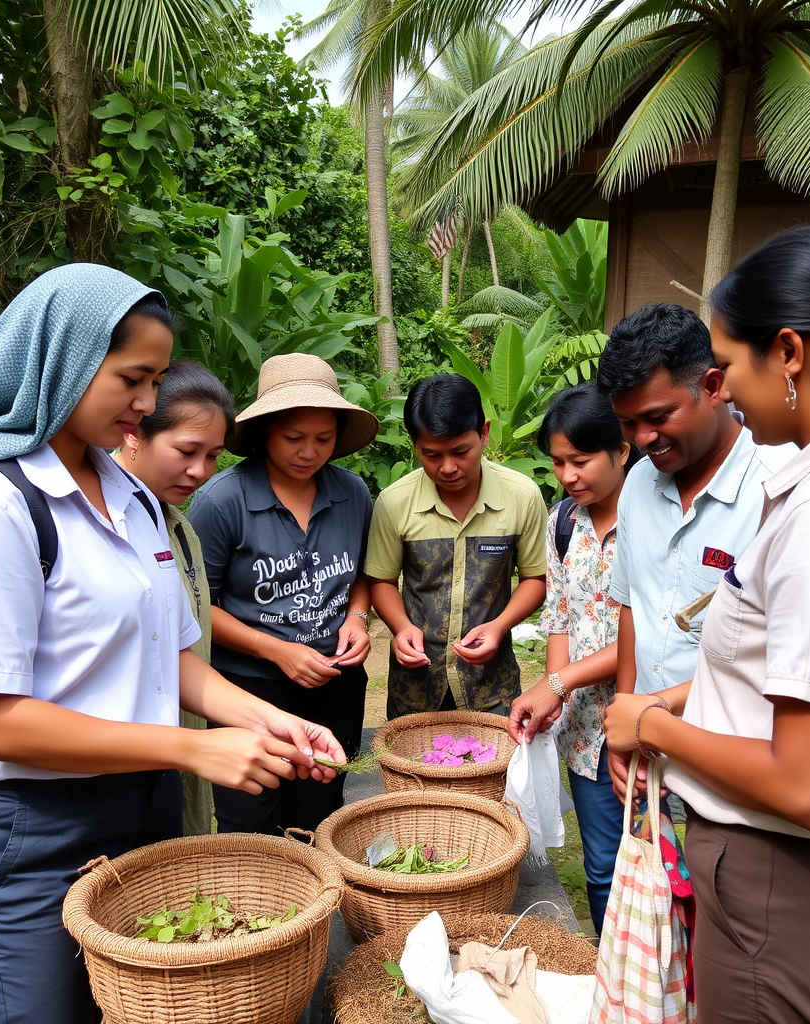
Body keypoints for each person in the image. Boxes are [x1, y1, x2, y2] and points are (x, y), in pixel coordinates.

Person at [0, 265, 345, 1024]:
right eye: (132, 380)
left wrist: (269, 721)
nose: (146, 403)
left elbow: (167, 657)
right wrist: (192, 749)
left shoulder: (131, 495)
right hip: (33, 830)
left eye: (156, 381)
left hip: (143, 807)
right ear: (63, 363)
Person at [604, 225, 810, 1024]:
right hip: (801, 888)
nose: (724, 389)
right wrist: (671, 701)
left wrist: (651, 724)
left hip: (789, 889)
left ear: (788, 352)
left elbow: (808, 788)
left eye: (727, 365)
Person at [186, 353, 377, 835]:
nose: (309, 452)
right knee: (250, 821)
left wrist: (357, 618)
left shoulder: (352, 493)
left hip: (335, 683)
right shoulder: (222, 502)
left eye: (323, 439)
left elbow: (363, 574)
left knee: (320, 815)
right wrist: (274, 649)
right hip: (249, 687)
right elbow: (199, 608)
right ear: (265, 431)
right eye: (294, 438)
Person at [595, 303, 793, 704]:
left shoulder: (780, 487)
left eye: (658, 416)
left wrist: (653, 711)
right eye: (627, 423)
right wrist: (627, 705)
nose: (642, 439)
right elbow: (634, 605)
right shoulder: (637, 483)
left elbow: (784, 655)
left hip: (730, 734)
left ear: (713, 387)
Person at [507, 384, 631, 935]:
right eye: (559, 463)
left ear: (621, 450)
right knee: (602, 867)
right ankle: (611, 969)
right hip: (585, 730)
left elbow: (652, 637)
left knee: (664, 864)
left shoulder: (655, 521)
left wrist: (558, 683)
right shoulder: (563, 521)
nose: (568, 476)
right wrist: (557, 693)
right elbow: (558, 616)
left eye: (581, 461)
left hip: (651, 717)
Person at [366, 373, 547, 718]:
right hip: (415, 689)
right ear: (414, 444)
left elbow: (536, 578)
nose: (448, 468)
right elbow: (381, 581)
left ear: (484, 433)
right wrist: (401, 627)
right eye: (432, 455)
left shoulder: (521, 497)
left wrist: (499, 626)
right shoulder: (394, 503)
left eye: (461, 452)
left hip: (492, 687)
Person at [114, 359, 236, 836]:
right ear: (133, 433)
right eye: (186, 450)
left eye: (213, 455)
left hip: (180, 739)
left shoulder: (173, 520)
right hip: (121, 765)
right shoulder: (106, 521)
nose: (200, 471)